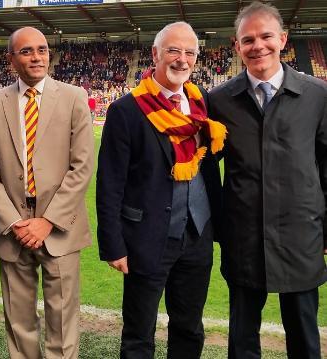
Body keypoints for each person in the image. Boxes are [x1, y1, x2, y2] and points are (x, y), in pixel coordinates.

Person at [96, 22, 225, 358]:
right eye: (173, 50)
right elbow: (109, 183)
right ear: (154, 54)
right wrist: (113, 244)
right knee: (139, 332)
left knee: (189, 327)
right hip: (147, 237)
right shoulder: (126, 110)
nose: (181, 59)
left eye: (189, 53)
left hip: (197, 235)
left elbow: (209, 161)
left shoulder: (202, 104)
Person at [208, 2, 327, 358]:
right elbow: (205, 170)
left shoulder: (318, 95)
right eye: (248, 39)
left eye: (266, 36)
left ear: (283, 39)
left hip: (301, 234)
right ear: (236, 46)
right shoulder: (219, 100)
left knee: (304, 332)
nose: (258, 45)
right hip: (244, 236)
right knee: (242, 336)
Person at [0, 26, 94, 359]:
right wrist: (15, 222)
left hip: (59, 226)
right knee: (19, 320)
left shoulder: (74, 98)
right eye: (26, 51)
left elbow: (82, 167)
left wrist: (48, 221)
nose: (37, 57)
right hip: (14, 227)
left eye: (42, 49)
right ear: (10, 58)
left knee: (62, 319)